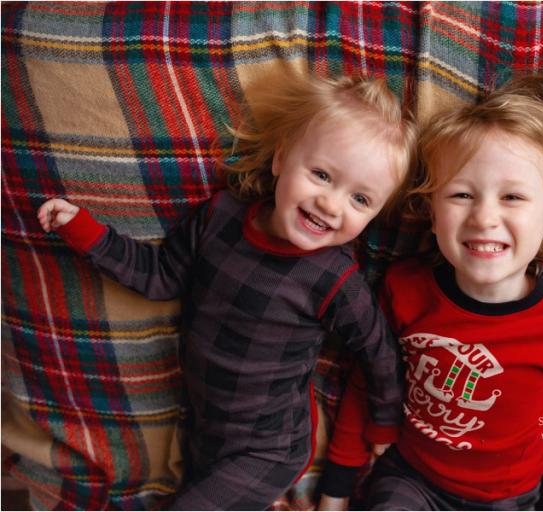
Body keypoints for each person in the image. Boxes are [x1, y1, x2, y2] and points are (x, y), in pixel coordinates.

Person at [36, 73, 416, 510]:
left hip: (269, 449)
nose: (331, 205)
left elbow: (378, 352)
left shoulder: (335, 279)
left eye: (361, 200)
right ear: (280, 159)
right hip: (205, 430)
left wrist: (385, 423)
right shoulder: (220, 217)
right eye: (321, 174)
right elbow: (159, 276)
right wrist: (86, 232)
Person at [317, 73, 543, 511]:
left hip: (508, 498)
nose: (484, 217)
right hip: (412, 479)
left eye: (513, 197)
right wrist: (336, 491)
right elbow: (368, 382)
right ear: (433, 211)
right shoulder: (404, 289)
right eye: (461, 194)